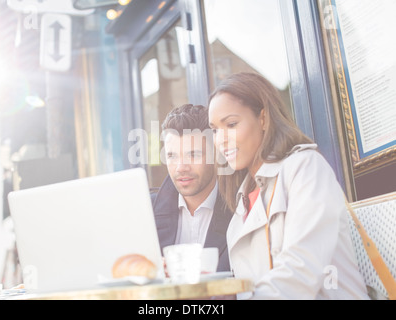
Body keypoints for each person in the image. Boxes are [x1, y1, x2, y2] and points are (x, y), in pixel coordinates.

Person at [208, 72, 369, 299]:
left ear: (263, 119)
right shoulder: (241, 200)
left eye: (231, 124)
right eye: (214, 130)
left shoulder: (305, 167)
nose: (221, 140)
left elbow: (302, 268)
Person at [152, 104, 232, 272]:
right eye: (171, 156)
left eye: (193, 154)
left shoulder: (240, 207)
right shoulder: (146, 211)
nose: (181, 167)